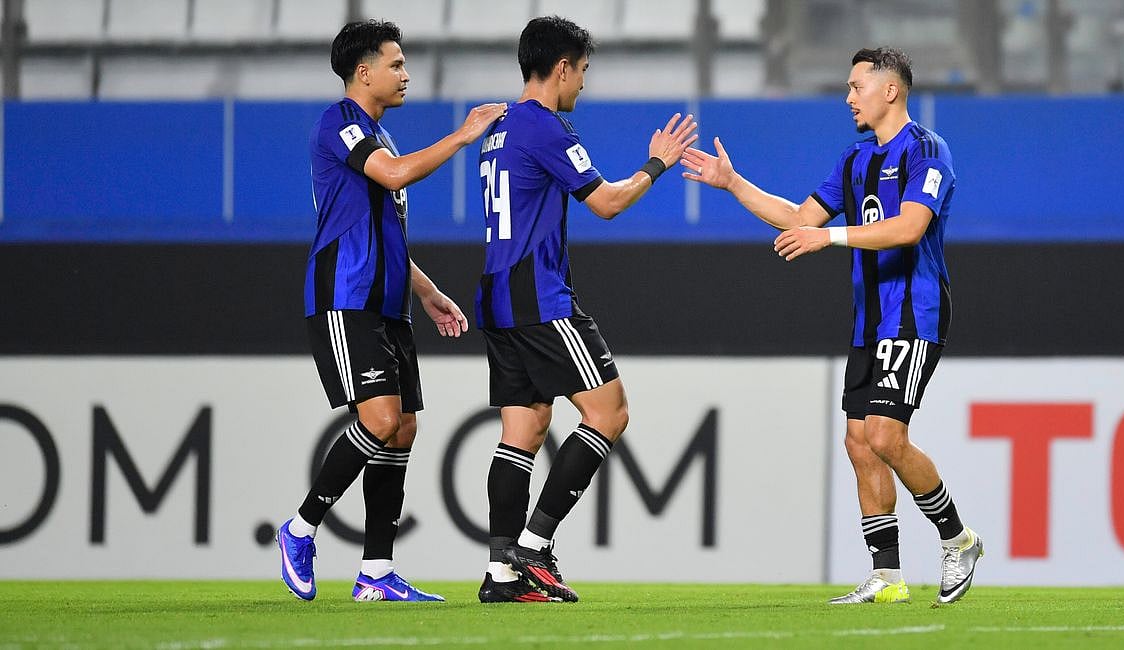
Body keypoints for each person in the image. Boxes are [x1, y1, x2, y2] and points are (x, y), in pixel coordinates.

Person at [681, 47, 982, 605]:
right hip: (870, 321)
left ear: (889, 90)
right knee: (859, 442)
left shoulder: (928, 151)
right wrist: (733, 183)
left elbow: (910, 227)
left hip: (914, 315)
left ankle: (957, 539)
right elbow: (801, 218)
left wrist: (830, 237)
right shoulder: (855, 160)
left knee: (886, 436)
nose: (848, 98)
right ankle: (887, 577)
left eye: (855, 87)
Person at [275, 19, 506, 603]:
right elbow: (394, 176)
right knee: (378, 421)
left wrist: (425, 291)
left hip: (388, 303)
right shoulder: (339, 124)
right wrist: (462, 136)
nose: (406, 74)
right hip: (344, 296)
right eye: (396, 64)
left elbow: (387, 229)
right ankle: (301, 528)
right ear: (363, 70)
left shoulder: (380, 135)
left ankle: (375, 573)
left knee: (401, 427)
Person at [473, 15, 698, 603]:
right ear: (562, 67)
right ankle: (534, 543)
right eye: (583, 72)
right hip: (540, 296)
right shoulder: (545, 126)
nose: (583, 86)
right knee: (611, 411)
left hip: (497, 295)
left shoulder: (498, 127)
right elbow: (607, 203)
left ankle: (500, 576)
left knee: (523, 428)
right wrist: (658, 164)